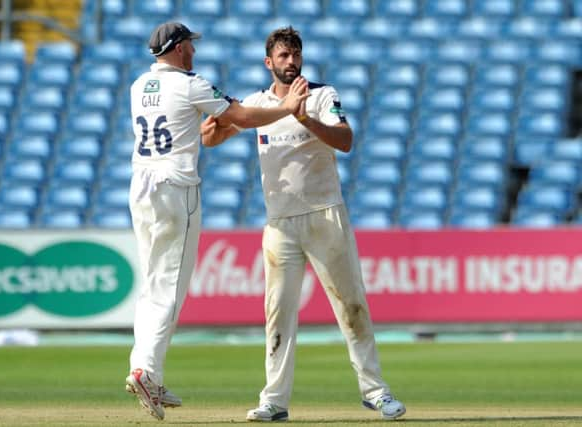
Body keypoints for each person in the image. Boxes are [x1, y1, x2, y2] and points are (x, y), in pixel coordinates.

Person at [201, 27, 406, 422]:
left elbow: (345, 141)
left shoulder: (322, 96)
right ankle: (274, 401)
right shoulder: (258, 103)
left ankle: (376, 392)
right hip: (280, 223)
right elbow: (216, 136)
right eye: (283, 56)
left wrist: (304, 118)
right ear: (269, 62)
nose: (291, 62)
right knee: (277, 312)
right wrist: (211, 131)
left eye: (295, 54)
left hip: (325, 214)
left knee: (351, 306)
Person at [124, 22, 310, 421]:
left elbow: (208, 125)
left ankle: (144, 369)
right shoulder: (190, 84)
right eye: (189, 44)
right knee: (170, 288)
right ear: (177, 49)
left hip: (140, 187)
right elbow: (240, 114)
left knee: (152, 283)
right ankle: (146, 371)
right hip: (176, 188)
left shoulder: (139, 85)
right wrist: (286, 108)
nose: (193, 50)